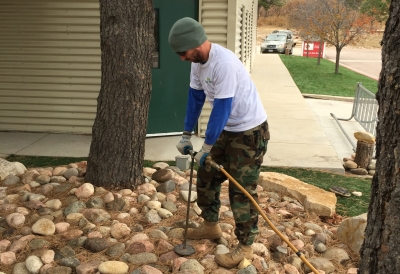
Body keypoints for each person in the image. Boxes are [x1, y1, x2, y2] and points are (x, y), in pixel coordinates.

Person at [168, 17, 270, 268]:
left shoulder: (222, 64)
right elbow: (195, 99)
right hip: (228, 129)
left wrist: (207, 145)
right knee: (206, 176)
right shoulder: (197, 63)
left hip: (249, 132)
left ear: (195, 44)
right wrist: (185, 133)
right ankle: (211, 226)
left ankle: (245, 247)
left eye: (183, 52)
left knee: (241, 191)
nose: (181, 58)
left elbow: (222, 108)